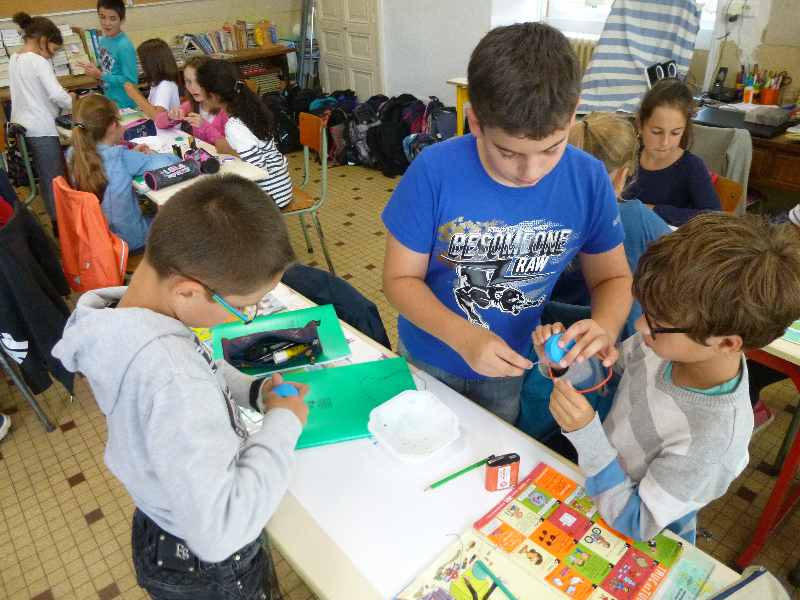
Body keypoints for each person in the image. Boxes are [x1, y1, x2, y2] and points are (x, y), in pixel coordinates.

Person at [52, 173, 310, 600]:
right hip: (210, 567)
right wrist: (283, 424)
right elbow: (220, 531)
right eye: (243, 308)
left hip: (161, 520)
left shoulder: (123, 317)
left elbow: (198, 364)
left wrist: (252, 391)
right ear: (188, 292)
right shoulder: (172, 376)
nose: (245, 319)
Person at [381, 23, 633, 424]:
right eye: (509, 153)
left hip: (510, 365)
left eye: (551, 149)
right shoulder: (434, 172)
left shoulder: (588, 179)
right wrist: (464, 337)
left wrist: (603, 326)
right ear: (475, 122)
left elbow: (613, 278)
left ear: (573, 115)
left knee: (494, 447)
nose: (531, 172)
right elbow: (399, 279)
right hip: (430, 355)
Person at [533, 213, 800, 543]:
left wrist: (588, 438)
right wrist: (562, 362)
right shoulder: (663, 347)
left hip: (633, 536)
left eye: (657, 323)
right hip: (595, 479)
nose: (639, 326)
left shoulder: (713, 443)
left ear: (726, 343)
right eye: (645, 311)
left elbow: (636, 523)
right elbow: (607, 379)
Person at [517, 112, 672, 443]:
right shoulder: (637, 219)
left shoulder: (536, 219)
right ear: (624, 176)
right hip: (607, 357)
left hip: (547, 347)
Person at [68, 94, 181, 253]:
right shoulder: (121, 156)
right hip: (130, 241)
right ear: (113, 126)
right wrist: (152, 154)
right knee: (176, 223)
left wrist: (132, 155)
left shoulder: (72, 153)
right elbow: (173, 162)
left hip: (96, 238)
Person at [8, 12, 75, 234]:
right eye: (53, 50)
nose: (52, 56)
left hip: (24, 128)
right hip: (42, 130)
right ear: (43, 41)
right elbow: (56, 94)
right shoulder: (38, 61)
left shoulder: (15, 59)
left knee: (46, 179)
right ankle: (61, 226)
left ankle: (57, 222)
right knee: (54, 180)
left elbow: (31, 96)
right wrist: (72, 100)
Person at [623, 78, 720, 227]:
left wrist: (652, 210)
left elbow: (714, 217)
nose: (665, 142)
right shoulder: (626, 157)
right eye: (656, 132)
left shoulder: (691, 167)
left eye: (675, 133)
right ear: (640, 125)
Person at [196, 60, 293, 208]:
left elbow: (257, 168)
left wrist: (229, 150)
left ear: (214, 96)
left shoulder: (234, 126)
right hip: (283, 187)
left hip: (269, 197)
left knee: (211, 206)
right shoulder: (252, 108)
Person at [153, 55, 229, 145]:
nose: (193, 88)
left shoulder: (226, 111)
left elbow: (230, 147)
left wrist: (204, 126)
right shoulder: (191, 105)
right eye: (188, 81)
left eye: (198, 81)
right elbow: (158, 122)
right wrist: (169, 116)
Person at [77, 0, 138, 109]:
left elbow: (131, 81)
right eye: (102, 17)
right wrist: (94, 71)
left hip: (126, 104)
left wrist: (101, 75)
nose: (106, 23)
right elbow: (106, 72)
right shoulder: (103, 41)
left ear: (122, 20)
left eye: (112, 19)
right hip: (110, 101)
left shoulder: (124, 46)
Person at [124, 38, 181, 120]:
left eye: (142, 62)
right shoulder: (158, 83)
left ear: (152, 63)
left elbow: (157, 116)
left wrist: (135, 95)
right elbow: (151, 107)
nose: (140, 66)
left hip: (167, 128)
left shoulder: (165, 85)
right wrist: (137, 93)